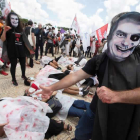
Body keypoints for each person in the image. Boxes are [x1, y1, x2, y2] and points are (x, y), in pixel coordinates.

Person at [31, 12, 140, 140]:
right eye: (121, 34)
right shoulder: (100, 60)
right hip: (96, 111)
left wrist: (116, 96)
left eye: (133, 37)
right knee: (81, 135)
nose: (126, 43)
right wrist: (51, 88)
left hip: (127, 118)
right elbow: (75, 76)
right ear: (111, 34)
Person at [1, 12, 34, 86]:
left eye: (16, 19)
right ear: (9, 19)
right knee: (13, 65)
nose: (14, 20)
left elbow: (25, 41)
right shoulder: (7, 28)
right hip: (12, 50)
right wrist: (5, 31)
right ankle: (13, 79)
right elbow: (2, 39)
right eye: (12, 18)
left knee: (23, 64)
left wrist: (30, 49)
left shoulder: (21, 29)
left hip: (21, 50)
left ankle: (23, 75)